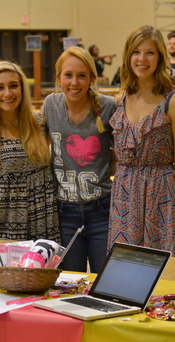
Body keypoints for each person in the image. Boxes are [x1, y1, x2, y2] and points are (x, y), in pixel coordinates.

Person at [108, 25, 175, 259]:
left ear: (160, 57)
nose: (142, 59)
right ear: (128, 56)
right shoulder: (122, 98)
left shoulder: (174, 101)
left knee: (164, 274)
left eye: (150, 52)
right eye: (136, 52)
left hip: (161, 197)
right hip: (125, 198)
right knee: (124, 274)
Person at [42, 46, 116, 273]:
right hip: (64, 211)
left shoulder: (108, 106)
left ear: (92, 78)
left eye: (82, 75)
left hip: (101, 209)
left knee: (102, 279)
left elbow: (120, 153)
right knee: (69, 281)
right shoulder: (51, 105)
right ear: (58, 78)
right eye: (68, 75)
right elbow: (42, 149)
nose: (75, 82)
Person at [0, 61, 59, 243]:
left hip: (42, 216)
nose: (7, 93)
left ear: (22, 89)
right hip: (1, 222)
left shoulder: (39, 123)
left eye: (14, 86)